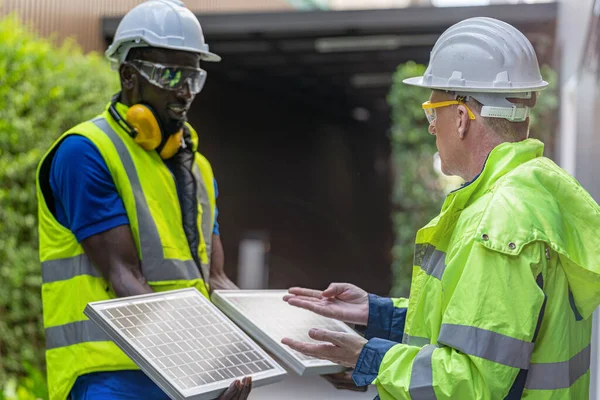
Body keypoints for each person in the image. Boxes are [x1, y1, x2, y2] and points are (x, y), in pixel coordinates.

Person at [281, 17, 600, 400]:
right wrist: (377, 314)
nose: (432, 128)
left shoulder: (498, 220)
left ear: (462, 118)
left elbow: (472, 382)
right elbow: (482, 333)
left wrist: (370, 358)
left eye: (433, 113)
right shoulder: (541, 195)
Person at [36, 1, 247, 399]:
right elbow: (124, 277)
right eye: (170, 75)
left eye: (194, 78)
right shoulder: (85, 152)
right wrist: (200, 370)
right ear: (129, 76)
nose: (185, 92)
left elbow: (214, 281)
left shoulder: (197, 168)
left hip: (181, 373)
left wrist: (284, 339)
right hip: (110, 379)